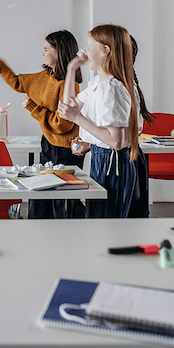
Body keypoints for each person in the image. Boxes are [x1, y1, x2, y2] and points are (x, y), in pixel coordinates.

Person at [0, 30, 85, 219]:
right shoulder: (45, 76)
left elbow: (62, 125)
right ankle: (39, 229)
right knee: (41, 191)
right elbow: (18, 82)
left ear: (59, 51)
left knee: (62, 200)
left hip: (65, 150)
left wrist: (33, 108)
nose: (42, 53)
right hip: (48, 143)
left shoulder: (68, 85)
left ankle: (66, 232)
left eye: (46, 49)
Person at [58, 24, 139, 218]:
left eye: (89, 46)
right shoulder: (98, 84)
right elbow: (68, 107)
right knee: (99, 221)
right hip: (102, 159)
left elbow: (116, 142)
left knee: (107, 224)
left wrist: (78, 118)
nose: (85, 53)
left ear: (105, 50)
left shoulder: (112, 88)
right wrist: (71, 69)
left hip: (113, 163)